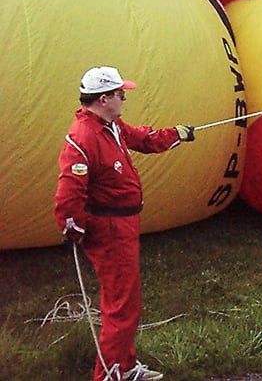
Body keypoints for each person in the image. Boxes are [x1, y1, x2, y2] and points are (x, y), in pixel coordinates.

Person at [54, 66, 196, 381]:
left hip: (124, 225)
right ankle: (108, 373)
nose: (124, 98)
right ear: (104, 98)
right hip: (109, 229)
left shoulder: (111, 125)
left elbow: (142, 138)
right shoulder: (83, 138)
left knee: (127, 300)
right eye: (121, 94)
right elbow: (69, 192)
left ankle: (124, 365)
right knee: (121, 304)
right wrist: (73, 226)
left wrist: (176, 134)